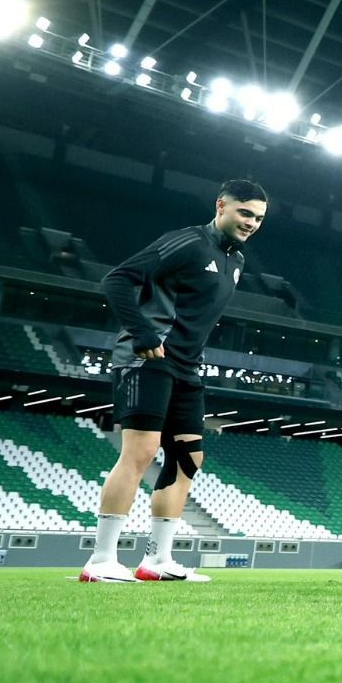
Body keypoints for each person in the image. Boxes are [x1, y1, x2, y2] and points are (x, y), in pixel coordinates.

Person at [80, 179, 268, 583]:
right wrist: (143, 333)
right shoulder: (187, 242)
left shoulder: (236, 261)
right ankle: (100, 559)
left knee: (188, 459)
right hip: (148, 358)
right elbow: (117, 279)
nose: (252, 223)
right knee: (141, 451)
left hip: (187, 367)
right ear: (221, 206)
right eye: (245, 213)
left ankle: (157, 560)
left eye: (258, 218)